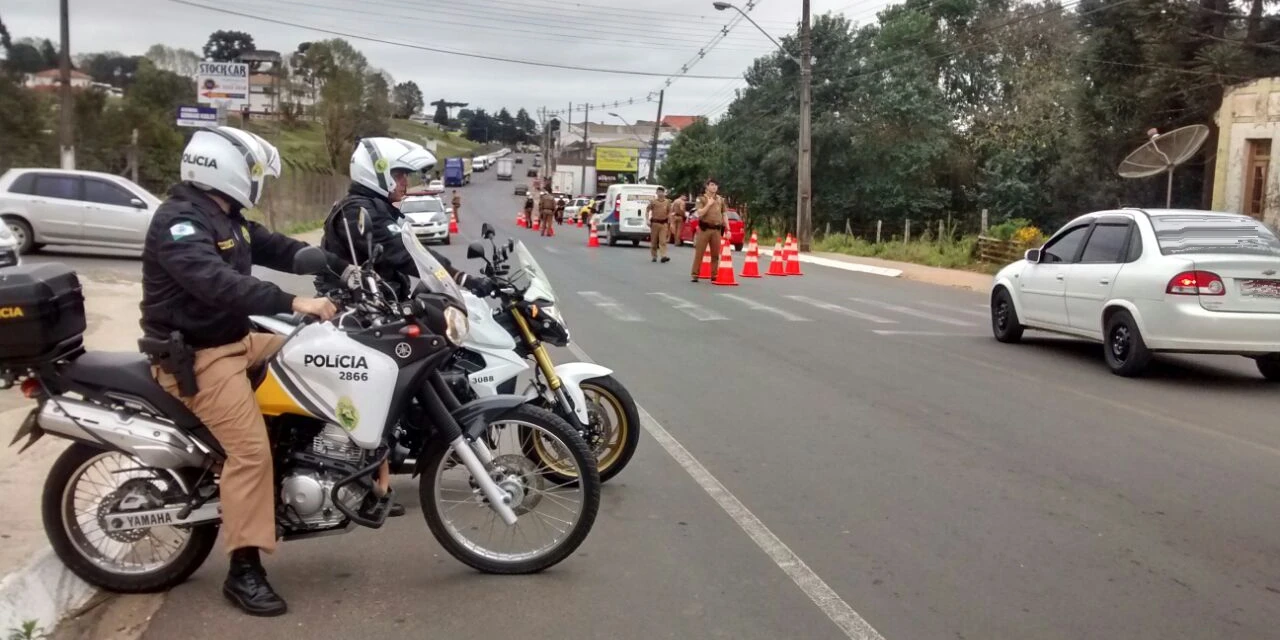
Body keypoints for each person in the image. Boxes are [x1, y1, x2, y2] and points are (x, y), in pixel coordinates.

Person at [140, 126, 352, 617]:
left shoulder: (227, 217)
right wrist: (294, 301)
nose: (259, 181)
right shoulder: (180, 223)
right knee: (251, 454)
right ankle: (243, 571)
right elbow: (218, 284)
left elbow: (280, 247)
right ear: (227, 169)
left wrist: (343, 266)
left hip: (236, 342)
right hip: (199, 357)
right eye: (255, 172)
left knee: (326, 357)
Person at [690, 178, 728, 283]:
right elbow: (699, 213)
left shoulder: (720, 200)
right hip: (704, 229)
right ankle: (695, 274)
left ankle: (714, 275)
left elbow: (724, 214)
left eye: (716, 185)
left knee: (715, 254)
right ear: (707, 186)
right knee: (699, 253)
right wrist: (709, 204)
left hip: (716, 230)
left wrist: (728, 229)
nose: (714, 187)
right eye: (712, 185)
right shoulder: (701, 199)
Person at [645, 187, 672, 263]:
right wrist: (647, 220)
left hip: (663, 224)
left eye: (661, 192)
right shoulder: (653, 202)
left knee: (663, 241)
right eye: (658, 192)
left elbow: (669, 212)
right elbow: (647, 210)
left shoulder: (667, 202)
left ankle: (663, 256)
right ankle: (654, 256)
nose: (660, 193)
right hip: (655, 224)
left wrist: (670, 221)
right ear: (656, 193)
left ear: (664, 193)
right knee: (654, 241)